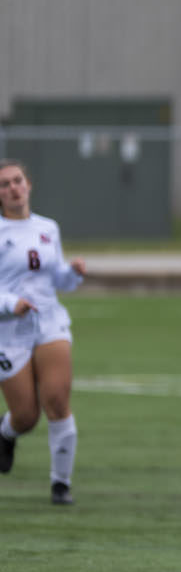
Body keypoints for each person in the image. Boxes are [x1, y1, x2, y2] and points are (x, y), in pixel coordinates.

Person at [0, 160, 86, 505]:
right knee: (25, 416)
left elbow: (58, 279)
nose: (12, 189)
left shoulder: (48, 227)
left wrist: (73, 272)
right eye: (4, 185)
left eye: (17, 181)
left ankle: (60, 485)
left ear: (29, 184)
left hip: (49, 323)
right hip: (9, 331)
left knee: (57, 400)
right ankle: (5, 433)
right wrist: (11, 304)